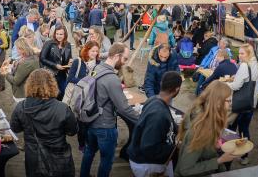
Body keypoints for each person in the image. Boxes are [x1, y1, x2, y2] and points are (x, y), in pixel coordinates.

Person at [80, 43, 139, 177]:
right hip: (105, 126)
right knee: (106, 160)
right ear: (117, 56)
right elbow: (123, 109)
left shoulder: (96, 68)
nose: (125, 63)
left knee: (89, 152)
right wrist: (142, 119)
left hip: (90, 120)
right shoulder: (112, 78)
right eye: (124, 59)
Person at [10, 69, 78, 177]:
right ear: (52, 84)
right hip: (59, 156)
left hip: (34, 157)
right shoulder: (62, 108)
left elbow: (15, 128)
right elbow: (72, 131)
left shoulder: (21, 107)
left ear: (29, 85)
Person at [174, 81, 238, 176]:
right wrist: (220, 160)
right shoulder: (200, 130)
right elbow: (185, 169)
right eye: (228, 101)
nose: (230, 105)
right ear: (218, 103)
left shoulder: (203, 114)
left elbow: (202, 149)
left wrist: (214, 145)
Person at [128, 72, 182, 177]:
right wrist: (176, 147)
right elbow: (149, 148)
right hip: (146, 164)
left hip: (145, 159)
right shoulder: (158, 115)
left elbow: (169, 126)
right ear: (177, 89)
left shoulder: (154, 100)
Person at [227, 44, 258, 165]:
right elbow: (251, 79)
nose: (239, 56)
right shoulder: (254, 64)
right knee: (244, 129)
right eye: (239, 53)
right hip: (250, 102)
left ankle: (228, 154)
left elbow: (236, 86)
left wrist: (223, 84)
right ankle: (245, 155)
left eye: (242, 54)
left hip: (239, 103)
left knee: (230, 128)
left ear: (249, 54)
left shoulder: (244, 65)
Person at [66, 40, 100, 150]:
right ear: (87, 50)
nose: (95, 53)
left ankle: (91, 141)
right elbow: (70, 78)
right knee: (81, 121)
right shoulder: (78, 61)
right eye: (92, 51)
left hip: (92, 96)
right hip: (79, 96)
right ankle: (81, 144)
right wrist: (86, 82)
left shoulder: (99, 64)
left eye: (96, 51)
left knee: (91, 119)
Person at [1, 38, 39, 103]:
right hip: (29, 92)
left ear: (22, 49)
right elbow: (19, 61)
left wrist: (6, 73)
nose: (16, 51)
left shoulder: (26, 63)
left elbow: (16, 81)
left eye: (17, 48)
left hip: (22, 94)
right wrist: (11, 61)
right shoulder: (31, 56)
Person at [40, 26, 72, 100]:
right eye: (57, 34)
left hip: (62, 73)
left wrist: (70, 60)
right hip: (51, 73)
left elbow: (69, 57)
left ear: (65, 35)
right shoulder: (49, 43)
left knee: (63, 93)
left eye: (61, 34)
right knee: (53, 94)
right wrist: (55, 65)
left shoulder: (68, 45)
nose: (59, 36)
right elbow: (42, 58)